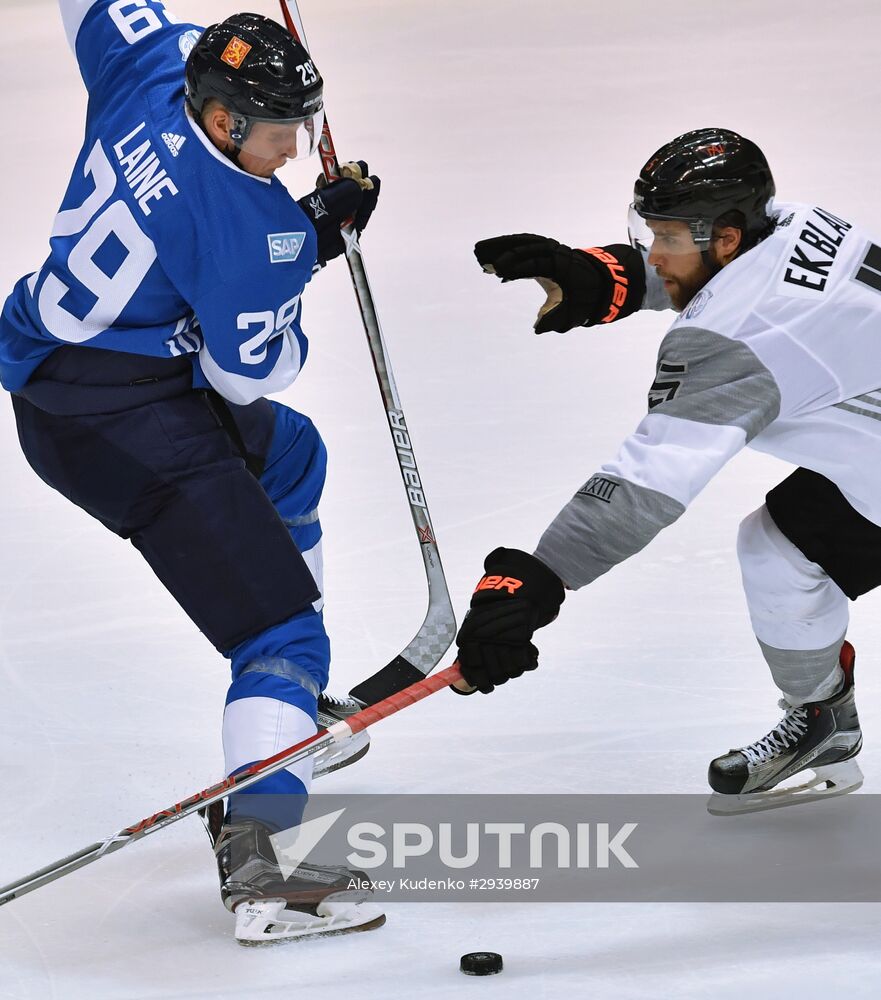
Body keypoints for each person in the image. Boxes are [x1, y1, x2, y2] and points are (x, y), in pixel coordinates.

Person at [1, 2, 384, 941]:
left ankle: (286, 724)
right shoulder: (257, 232)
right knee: (282, 637)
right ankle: (269, 869)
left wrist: (299, 234)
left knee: (293, 457)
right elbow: (249, 371)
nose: (296, 151)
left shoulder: (160, 60)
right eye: (282, 133)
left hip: (59, 357)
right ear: (222, 119)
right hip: (112, 423)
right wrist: (312, 245)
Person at [455, 127, 875, 816]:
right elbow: (730, 282)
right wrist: (603, 278)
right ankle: (825, 722)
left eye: (668, 239)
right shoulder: (795, 221)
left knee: (777, 551)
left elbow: (645, 483)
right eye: (650, 234)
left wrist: (533, 581)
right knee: (776, 552)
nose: (654, 254)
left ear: (727, 236)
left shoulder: (735, 345)